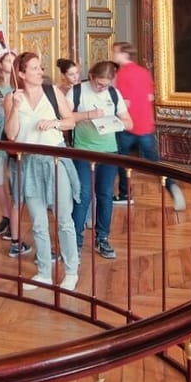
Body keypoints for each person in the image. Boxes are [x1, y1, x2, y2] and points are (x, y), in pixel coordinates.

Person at [3, 52, 80, 291]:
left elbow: (70, 121)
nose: (40, 71)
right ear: (22, 74)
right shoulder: (12, 98)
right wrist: (15, 109)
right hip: (29, 162)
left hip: (55, 159)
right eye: (34, 68)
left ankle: (71, 271)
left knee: (64, 218)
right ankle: (44, 272)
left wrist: (54, 123)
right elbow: (11, 135)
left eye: (40, 67)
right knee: (38, 221)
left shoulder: (52, 92)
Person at [110, 41, 185, 211]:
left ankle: (124, 194)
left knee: (121, 160)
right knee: (154, 163)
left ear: (123, 54)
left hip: (127, 125)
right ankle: (172, 186)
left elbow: (123, 103)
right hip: (145, 124)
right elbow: (150, 97)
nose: (113, 55)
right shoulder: (144, 72)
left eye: (115, 52)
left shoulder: (121, 75)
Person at [69, 61, 133, 260]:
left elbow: (129, 122)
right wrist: (89, 115)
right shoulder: (77, 91)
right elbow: (65, 118)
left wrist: (115, 122)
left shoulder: (113, 94)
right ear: (91, 76)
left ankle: (102, 238)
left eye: (106, 85)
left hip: (108, 151)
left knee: (105, 195)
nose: (102, 88)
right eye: (99, 84)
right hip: (83, 151)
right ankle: (76, 241)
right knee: (83, 195)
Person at [0, 51, 32, 258]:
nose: (10, 63)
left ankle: (13, 225)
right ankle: (5, 215)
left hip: (13, 137)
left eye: (13, 60)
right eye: (7, 59)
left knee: (15, 183)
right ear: (0, 62)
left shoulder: (19, 88)